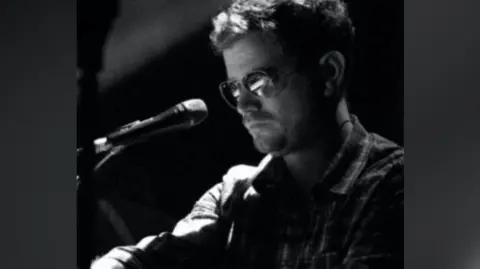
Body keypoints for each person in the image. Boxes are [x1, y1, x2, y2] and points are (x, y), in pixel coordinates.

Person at [91, 0, 404, 268]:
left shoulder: (393, 184)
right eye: (235, 88)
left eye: (258, 81)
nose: (244, 104)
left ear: (328, 74)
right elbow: (143, 262)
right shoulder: (235, 195)